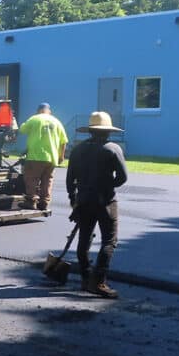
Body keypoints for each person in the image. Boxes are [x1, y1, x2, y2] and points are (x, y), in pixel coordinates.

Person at [65, 111, 128, 299]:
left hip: (83, 200)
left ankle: (85, 277)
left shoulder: (77, 149)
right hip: (106, 201)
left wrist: (73, 198)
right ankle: (98, 281)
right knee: (109, 240)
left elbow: (70, 179)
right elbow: (122, 177)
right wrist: (109, 185)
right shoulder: (112, 148)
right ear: (108, 131)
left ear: (90, 130)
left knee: (84, 238)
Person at [18, 102, 68, 211]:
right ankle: (44, 202)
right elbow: (64, 141)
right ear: (49, 111)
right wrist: (61, 156)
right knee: (47, 180)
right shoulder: (57, 122)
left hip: (36, 156)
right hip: (52, 158)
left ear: (39, 110)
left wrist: (20, 124)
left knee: (31, 178)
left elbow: (22, 130)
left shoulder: (34, 119)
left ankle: (31, 201)